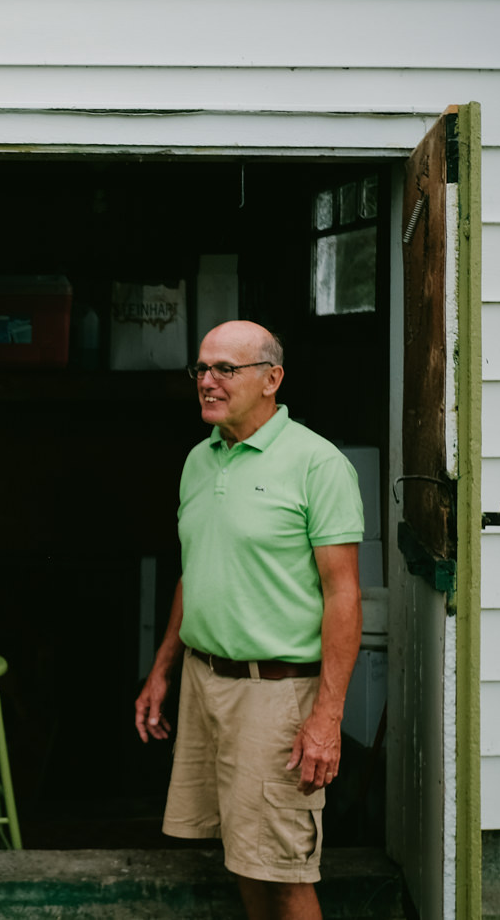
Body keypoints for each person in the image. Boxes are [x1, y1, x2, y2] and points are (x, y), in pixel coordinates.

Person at [133, 320, 363, 920]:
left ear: (271, 379)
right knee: (244, 858)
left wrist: (327, 719)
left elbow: (344, 596)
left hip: (278, 694)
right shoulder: (199, 460)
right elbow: (197, 571)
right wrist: (163, 669)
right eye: (201, 370)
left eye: (224, 370)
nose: (207, 382)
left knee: (284, 872)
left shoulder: (318, 465)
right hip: (206, 685)